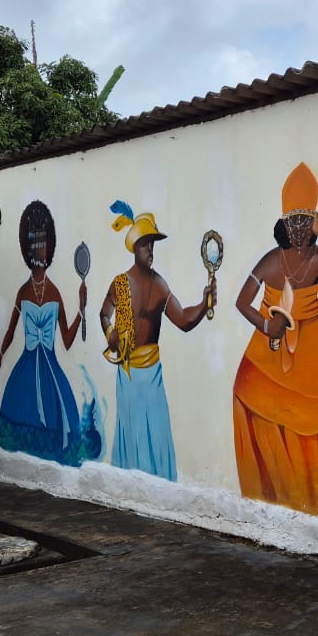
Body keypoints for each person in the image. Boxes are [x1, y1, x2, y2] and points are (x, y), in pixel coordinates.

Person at [231, 163, 318, 523]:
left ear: (313, 224)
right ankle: (279, 500)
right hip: (267, 357)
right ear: (283, 223)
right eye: (292, 221)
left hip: (315, 349)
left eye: (305, 221)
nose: (298, 229)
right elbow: (240, 301)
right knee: (257, 407)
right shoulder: (270, 260)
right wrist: (266, 326)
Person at [100, 200, 213, 481]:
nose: (150, 250)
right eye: (145, 244)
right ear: (134, 248)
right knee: (131, 433)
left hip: (152, 374)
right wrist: (110, 333)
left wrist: (204, 302)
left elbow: (184, 320)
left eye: (152, 244)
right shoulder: (120, 283)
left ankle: (159, 490)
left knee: (157, 434)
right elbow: (103, 314)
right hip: (127, 374)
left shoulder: (160, 285)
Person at [0, 200, 86, 459]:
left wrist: (81, 311)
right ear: (28, 248)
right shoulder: (22, 291)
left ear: (50, 246)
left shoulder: (55, 292)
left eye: (44, 243)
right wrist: (1, 352)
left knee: (55, 425)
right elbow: (11, 330)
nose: (40, 249)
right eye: (35, 243)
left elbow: (67, 341)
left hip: (51, 370)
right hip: (24, 367)